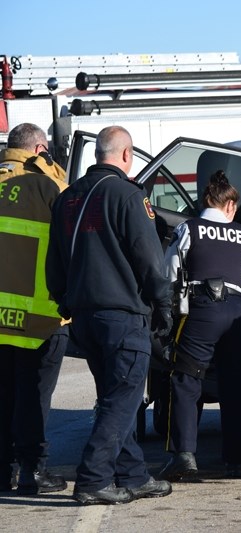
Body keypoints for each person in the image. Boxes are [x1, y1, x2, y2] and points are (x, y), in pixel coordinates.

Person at [45, 126, 173, 504]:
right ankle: (93, 479)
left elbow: (54, 262)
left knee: (118, 396)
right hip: (123, 316)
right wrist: (163, 303)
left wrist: (64, 299)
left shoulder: (67, 199)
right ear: (126, 154)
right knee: (122, 399)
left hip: (83, 315)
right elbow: (148, 256)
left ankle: (132, 474)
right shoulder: (130, 196)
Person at [157, 170, 241, 481]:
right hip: (236, 310)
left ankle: (184, 457)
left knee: (186, 380)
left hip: (200, 309)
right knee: (234, 386)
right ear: (229, 205)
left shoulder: (189, 229)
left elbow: (169, 271)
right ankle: (238, 460)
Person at [0, 124, 69, 495]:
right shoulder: (47, 184)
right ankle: (33, 471)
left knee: (5, 394)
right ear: (40, 149)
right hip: (40, 315)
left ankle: (4, 470)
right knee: (34, 396)